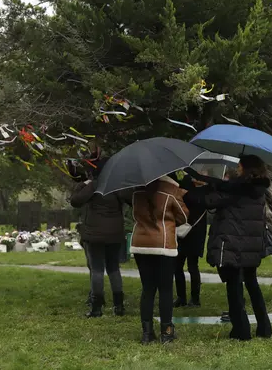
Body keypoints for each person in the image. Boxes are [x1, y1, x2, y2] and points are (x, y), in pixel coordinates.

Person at [183, 155, 272, 341]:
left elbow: (209, 201)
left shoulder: (237, 189)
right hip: (252, 245)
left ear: (246, 169)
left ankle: (241, 331)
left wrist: (188, 191)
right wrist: (209, 181)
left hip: (233, 243)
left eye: (239, 167)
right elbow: (225, 188)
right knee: (252, 284)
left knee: (234, 288)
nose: (237, 169)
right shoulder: (258, 189)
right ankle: (264, 328)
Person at [69, 143, 126, 319]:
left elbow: (75, 201)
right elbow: (129, 199)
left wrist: (83, 185)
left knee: (97, 270)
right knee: (114, 269)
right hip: (115, 234)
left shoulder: (93, 185)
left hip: (95, 235)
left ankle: (96, 307)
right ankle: (119, 305)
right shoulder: (116, 185)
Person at [131, 175, 189, 344]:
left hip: (140, 243)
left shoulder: (137, 191)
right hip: (163, 244)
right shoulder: (170, 191)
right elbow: (184, 217)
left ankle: (147, 333)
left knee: (147, 289)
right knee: (165, 289)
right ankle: (166, 332)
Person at [174, 177, 208, 308]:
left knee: (191, 266)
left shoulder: (204, 191)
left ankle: (193, 298)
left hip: (193, 232)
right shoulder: (189, 186)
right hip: (186, 231)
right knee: (180, 266)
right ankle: (184, 297)